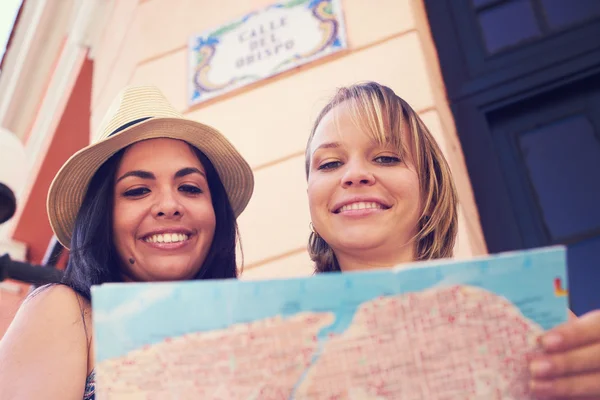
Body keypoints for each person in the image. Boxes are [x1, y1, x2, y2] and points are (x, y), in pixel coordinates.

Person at [304, 81, 600, 398]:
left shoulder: (517, 313)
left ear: (429, 189)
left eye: (387, 157)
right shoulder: (290, 346)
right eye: (331, 163)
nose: (354, 174)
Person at [0, 86, 254, 399]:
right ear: (102, 219)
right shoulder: (65, 310)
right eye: (137, 191)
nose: (169, 205)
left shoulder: (251, 333)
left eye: (189, 188)